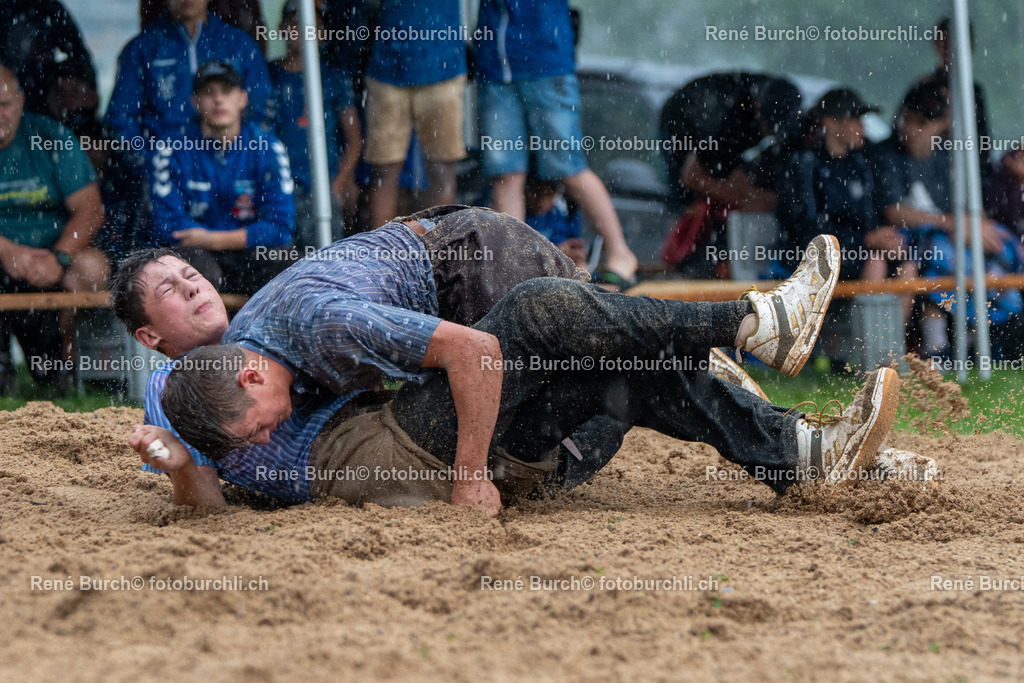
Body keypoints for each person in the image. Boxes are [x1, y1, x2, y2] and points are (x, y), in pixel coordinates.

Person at [157, 230, 904, 516]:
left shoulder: (248, 372)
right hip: (396, 451)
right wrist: (468, 475)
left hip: (406, 441)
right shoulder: (202, 414)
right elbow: (208, 502)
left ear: (252, 375)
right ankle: (752, 324)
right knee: (541, 308)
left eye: (258, 422)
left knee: (606, 375)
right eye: (248, 437)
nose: (265, 433)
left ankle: (801, 454)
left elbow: (210, 490)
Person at [474, 0, 638, 288]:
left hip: (545, 61)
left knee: (568, 167)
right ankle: (516, 266)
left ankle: (620, 252)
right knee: (506, 174)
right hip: (496, 66)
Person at [871, 81, 1023, 358]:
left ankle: (983, 341)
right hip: (911, 243)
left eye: (922, 122)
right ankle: (926, 350)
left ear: (942, 124)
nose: (910, 130)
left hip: (949, 239)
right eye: (908, 119)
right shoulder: (886, 155)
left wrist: (972, 227)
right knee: (935, 254)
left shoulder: (951, 158)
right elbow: (894, 212)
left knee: (1000, 247)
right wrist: (953, 225)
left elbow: (970, 209)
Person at [0, 65, 108, 391]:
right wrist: (9, 252)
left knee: (93, 268)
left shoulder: (50, 136)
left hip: (50, 262)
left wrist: (58, 257)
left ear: (20, 101)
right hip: (4, 257)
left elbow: (90, 209)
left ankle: (69, 367)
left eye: (4, 104)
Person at [146, 61, 295, 294]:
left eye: (227, 91)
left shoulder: (268, 148)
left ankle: (267, 332)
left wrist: (212, 239)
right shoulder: (171, 147)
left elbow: (280, 226)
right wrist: (210, 242)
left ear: (243, 98)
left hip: (246, 252)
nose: (218, 100)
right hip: (196, 253)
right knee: (196, 273)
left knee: (291, 263)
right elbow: (170, 226)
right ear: (195, 101)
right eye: (208, 93)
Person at [776, 88, 917, 320]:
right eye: (855, 119)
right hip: (810, 257)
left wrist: (885, 238)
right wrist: (866, 240)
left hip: (857, 253)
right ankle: (871, 351)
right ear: (830, 123)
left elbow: (870, 219)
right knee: (876, 262)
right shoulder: (805, 166)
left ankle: (893, 348)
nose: (862, 127)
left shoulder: (860, 164)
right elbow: (806, 232)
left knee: (906, 264)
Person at [659, 72, 802, 277]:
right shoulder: (725, 118)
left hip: (723, 126)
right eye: (770, 125)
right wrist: (745, 199)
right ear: (757, 106)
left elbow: (736, 171)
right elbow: (691, 176)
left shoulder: (782, 103)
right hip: (683, 121)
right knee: (692, 203)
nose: (773, 132)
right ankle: (686, 266)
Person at [107, 0, 271, 147]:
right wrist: (150, 162)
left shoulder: (239, 45)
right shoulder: (142, 49)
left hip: (230, 167)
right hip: (166, 165)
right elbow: (122, 118)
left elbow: (261, 109)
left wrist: (239, 158)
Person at [363, 0, 467, 229]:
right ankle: (381, 255)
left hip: (442, 67)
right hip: (388, 69)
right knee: (384, 169)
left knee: (440, 169)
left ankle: (437, 251)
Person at [266, 0, 361, 247]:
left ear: (323, 34)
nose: (302, 29)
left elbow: (354, 140)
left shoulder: (334, 77)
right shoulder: (267, 76)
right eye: (294, 23)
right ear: (281, 28)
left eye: (310, 24)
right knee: (280, 263)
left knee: (327, 261)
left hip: (324, 184)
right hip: (279, 186)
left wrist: (338, 184)